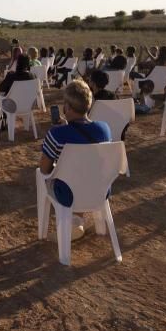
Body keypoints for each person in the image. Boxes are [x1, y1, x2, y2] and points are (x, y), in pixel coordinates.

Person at [39, 80, 112, 240]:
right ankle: (76, 220)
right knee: (83, 171)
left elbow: (44, 169)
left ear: (67, 107)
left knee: (52, 176)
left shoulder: (57, 134)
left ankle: (73, 222)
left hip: (69, 194)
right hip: (100, 191)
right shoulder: (105, 129)